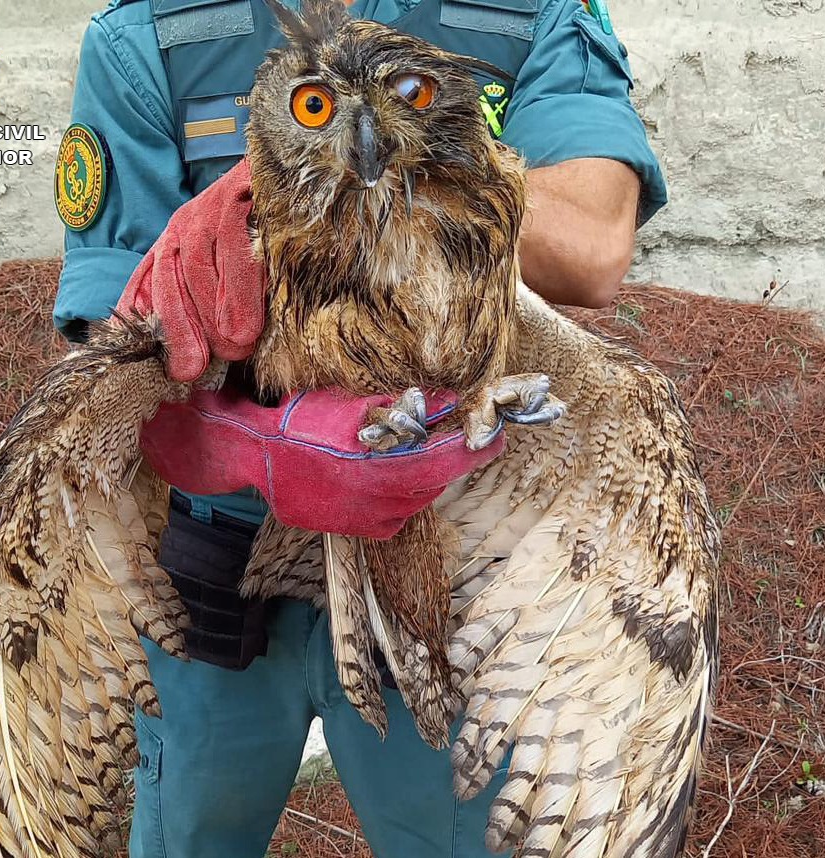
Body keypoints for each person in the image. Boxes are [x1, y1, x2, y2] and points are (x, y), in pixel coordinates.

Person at [51, 0, 667, 855]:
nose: (362, 132)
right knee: (192, 834)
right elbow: (106, 335)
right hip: (216, 560)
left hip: (444, 554)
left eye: (412, 93)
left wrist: (415, 166)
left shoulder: (526, 15)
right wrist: (243, 438)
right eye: (310, 108)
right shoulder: (151, 34)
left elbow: (596, 243)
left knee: (452, 836)